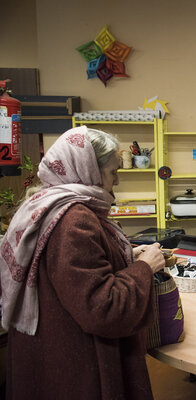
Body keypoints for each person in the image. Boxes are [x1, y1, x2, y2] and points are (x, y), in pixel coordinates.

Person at [0, 126, 165, 400]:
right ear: (87, 169)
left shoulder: (46, 204)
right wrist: (145, 267)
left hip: (48, 352)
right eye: (113, 172)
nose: (118, 181)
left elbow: (68, 275)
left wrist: (124, 257)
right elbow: (103, 308)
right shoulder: (75, 219)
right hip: (76, 365)